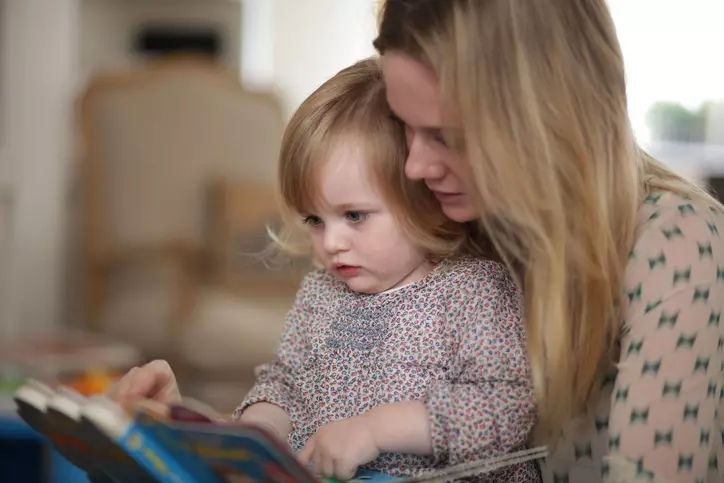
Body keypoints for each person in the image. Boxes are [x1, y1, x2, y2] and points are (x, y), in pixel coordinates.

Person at [109, 58, 539, 481]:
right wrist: (252, 435)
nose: (331, 242)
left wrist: (375, 430)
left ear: (423, 201)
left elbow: (506, 408)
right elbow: (285, 384)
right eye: (315, 219)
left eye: (354, 215)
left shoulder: (473, 289)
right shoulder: (323, 292)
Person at [373, 0, 723, 481]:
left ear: (548, 118)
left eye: (448, 137)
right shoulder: (464, 226)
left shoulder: (681, 246)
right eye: (404, 127)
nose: (415, 167)